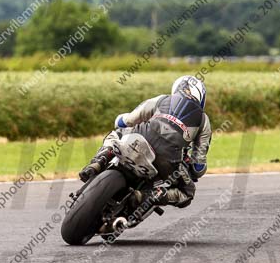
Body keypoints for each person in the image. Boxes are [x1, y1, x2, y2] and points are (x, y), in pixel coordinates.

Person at [78, 76, 212, 207]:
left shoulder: (162, 99)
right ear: (201, 98)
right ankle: (143, 196)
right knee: (187, 193)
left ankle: (97, 162)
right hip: (168, 159)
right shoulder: (203, 120)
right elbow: (198, 166)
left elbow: (126, 121)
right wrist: (193, 169)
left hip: (141, 136)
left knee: (115, 134)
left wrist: (120, 120)